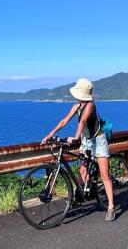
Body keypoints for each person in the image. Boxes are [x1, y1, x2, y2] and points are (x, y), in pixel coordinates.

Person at [40, 78, 115, 221]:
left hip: (98, 140)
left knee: (105, 174)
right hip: (87, 140)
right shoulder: (77, 106)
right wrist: (50, 134)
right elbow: (64, 120)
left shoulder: (90, 105)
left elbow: (82, 121)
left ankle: (111, 206)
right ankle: (90, 187)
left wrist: (75, 137)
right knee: (82, 169)